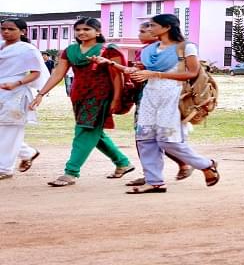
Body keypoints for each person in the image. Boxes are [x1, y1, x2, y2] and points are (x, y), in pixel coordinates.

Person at [120, 14, 219, 194]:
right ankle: (154, 182)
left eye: (152, 26)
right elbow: (146, 71)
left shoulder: (186, 48)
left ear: (166, 28)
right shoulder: (151, 50)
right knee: (145, 139)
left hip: (173, 96)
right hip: (150, 96)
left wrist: (155, 74)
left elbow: (192, 73)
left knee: (168, 141)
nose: (149, 29)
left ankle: (206, 165)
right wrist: (137, 71)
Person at [29, 18, 134, 187]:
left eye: (87, 29)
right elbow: (58, 74)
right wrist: (41, 93)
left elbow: (117, 76)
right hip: (78, 96)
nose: (81, 32)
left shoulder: (109, 50)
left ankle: (71, 172)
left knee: (85, 131)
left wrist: (116, 99)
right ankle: (122, 162)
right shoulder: (70, 50)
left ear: (98, 32)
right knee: (93, 131)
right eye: (78, 29)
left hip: (102, 95)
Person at [103, 22, 193, 187]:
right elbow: (135, 73)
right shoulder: (145, 52)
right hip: (144, 98)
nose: (140, 34)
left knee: (158, 137)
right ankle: (153, 173)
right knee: (145, 138)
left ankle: (189, 163)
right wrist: (112, 64)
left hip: (161, 98)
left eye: (144, 31)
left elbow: (183, 74)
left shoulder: (170, 52)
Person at [0, 19, 47, 179]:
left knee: (9, 129)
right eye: (3, 28)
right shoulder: (1, 46)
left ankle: (5, 169)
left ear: (23, 31)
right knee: (5, 133)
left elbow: (36, 72)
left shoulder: (27, 50)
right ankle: (29, 153)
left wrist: (15, 83)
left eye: (10, 29)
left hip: (16, 93)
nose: (6, 32)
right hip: (1, 89)